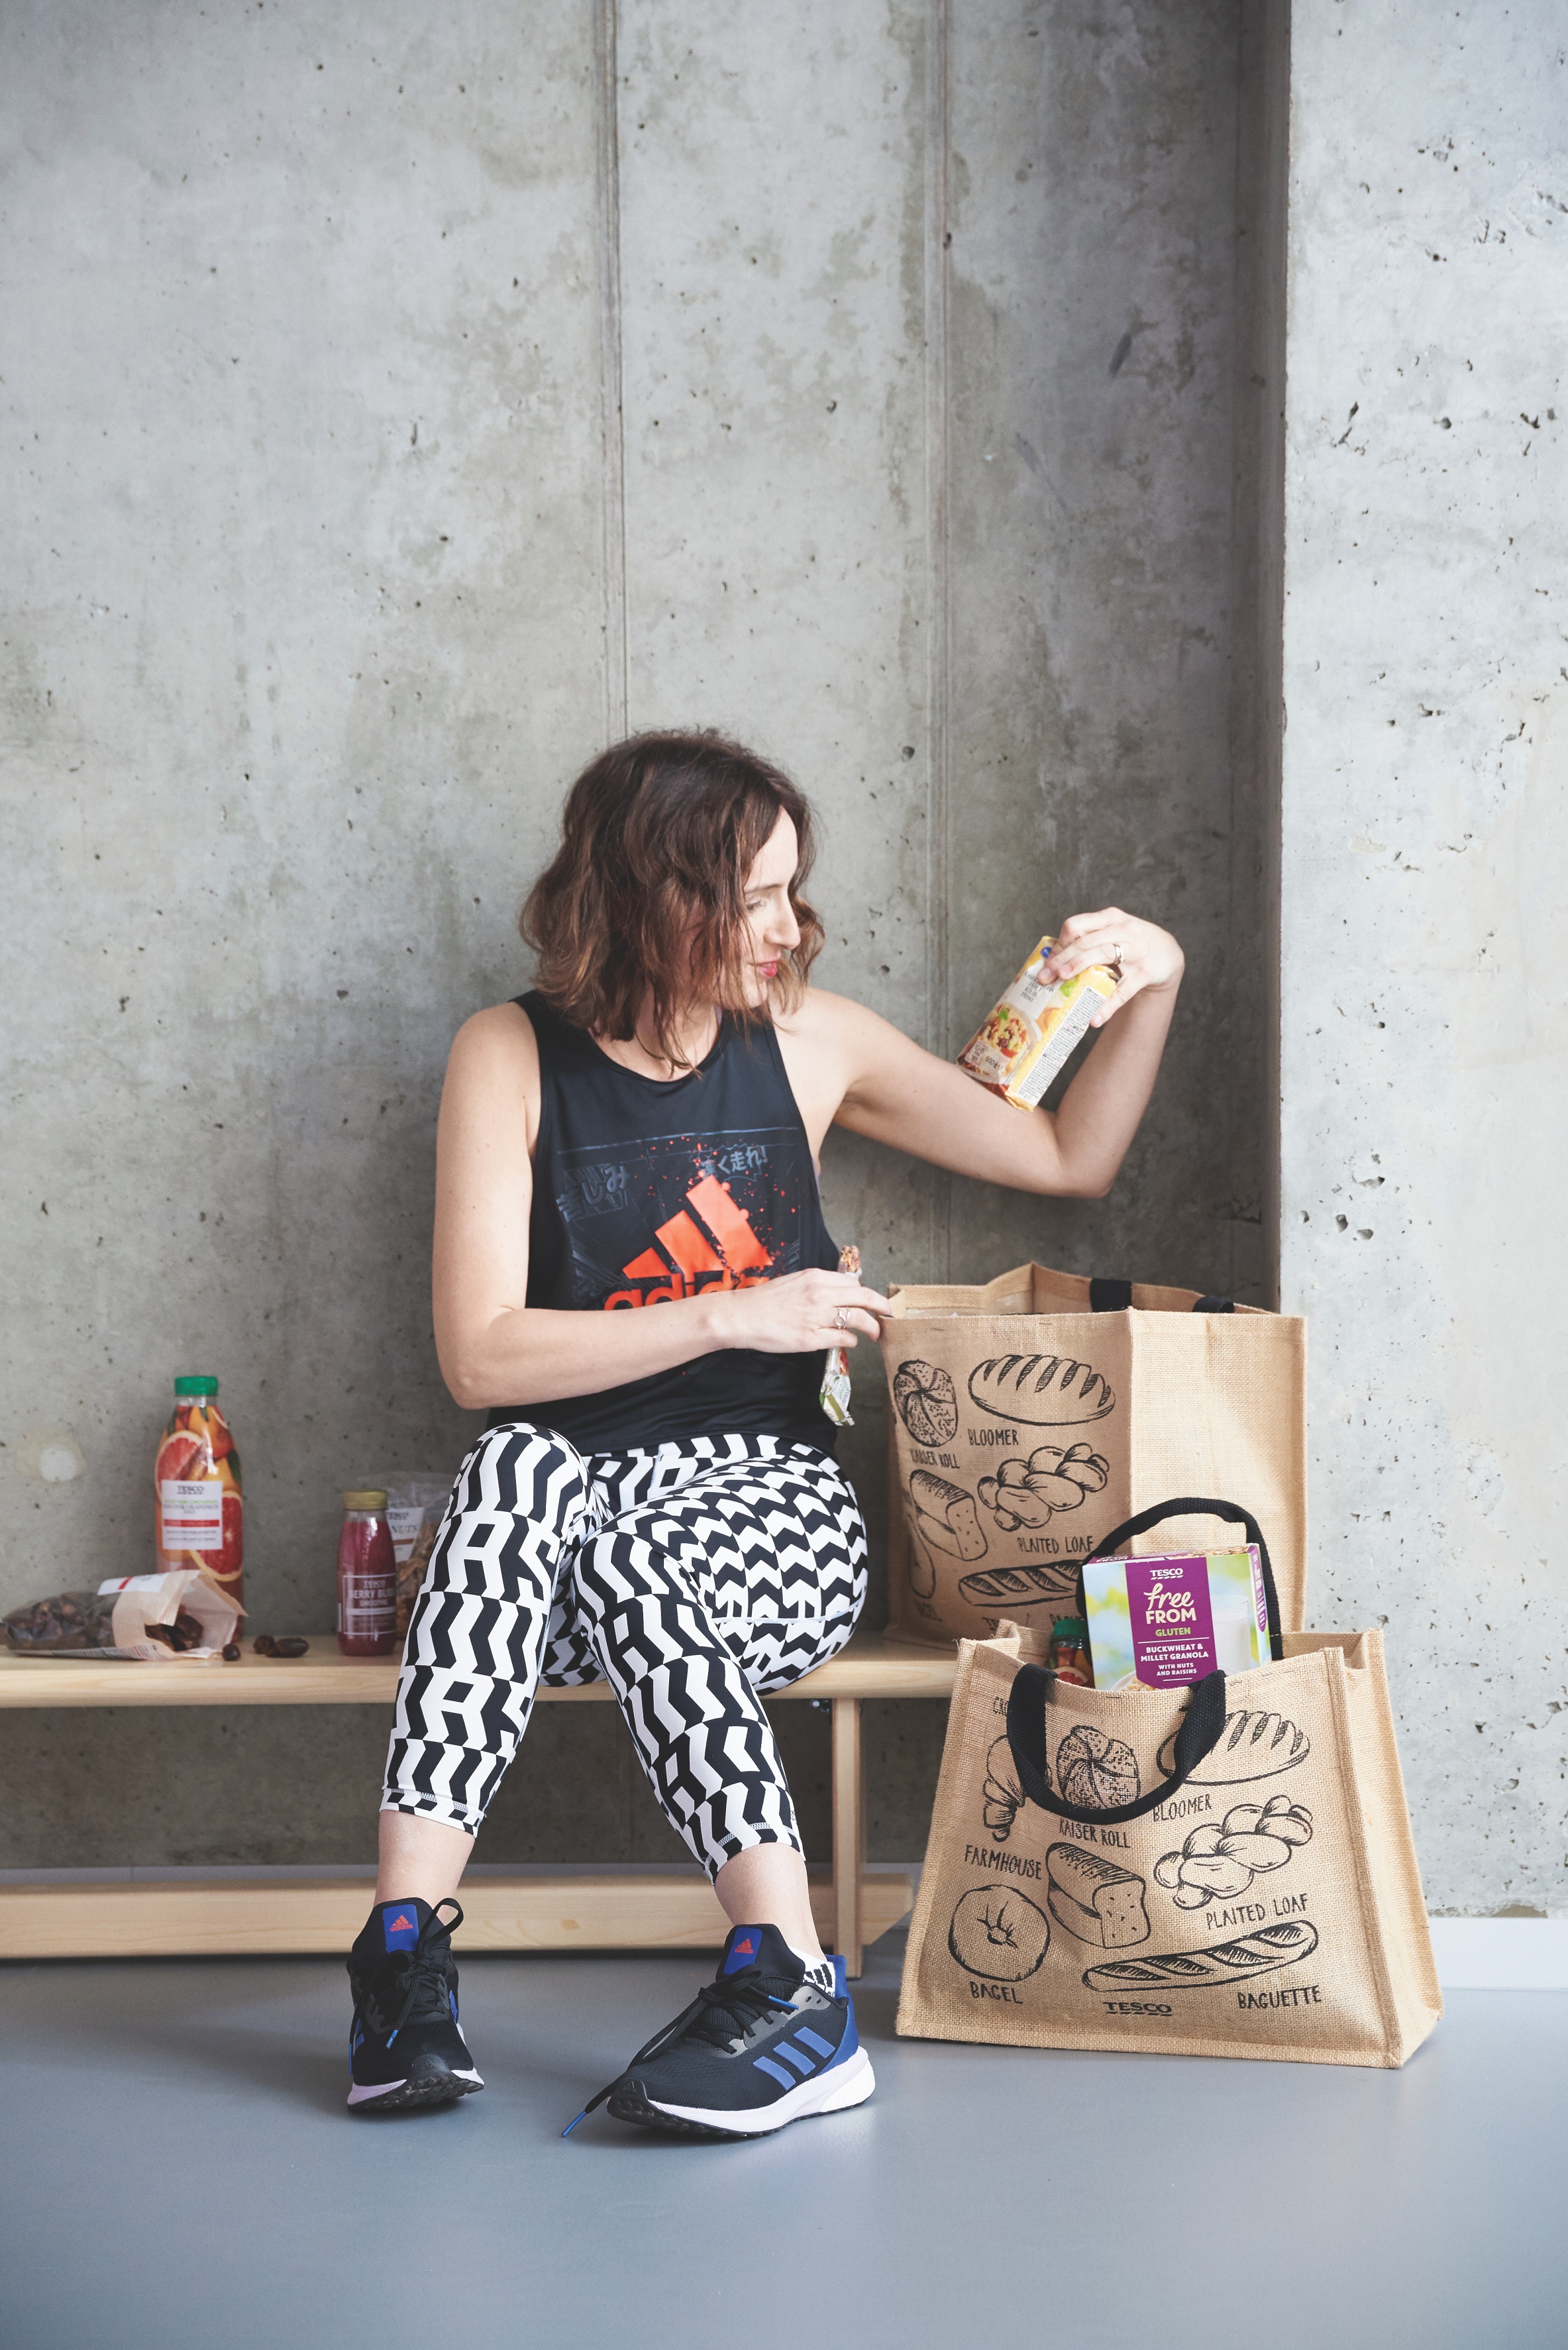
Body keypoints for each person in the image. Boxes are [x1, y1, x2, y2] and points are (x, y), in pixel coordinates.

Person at [345, 729, 1183, 2136]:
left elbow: (1065, 1158)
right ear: (645, 897)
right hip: (546, 1559)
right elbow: (480, 1357)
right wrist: (735, 1312)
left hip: (767, 1515)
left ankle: (790, 1979)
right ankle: (400, 1963)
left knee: (635, 1555)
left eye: (790, 889)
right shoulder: (510, 1054)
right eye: (749, 899)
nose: (788, 927)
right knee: (516, 1460)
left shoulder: (809, 1041)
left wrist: (1154, 980)